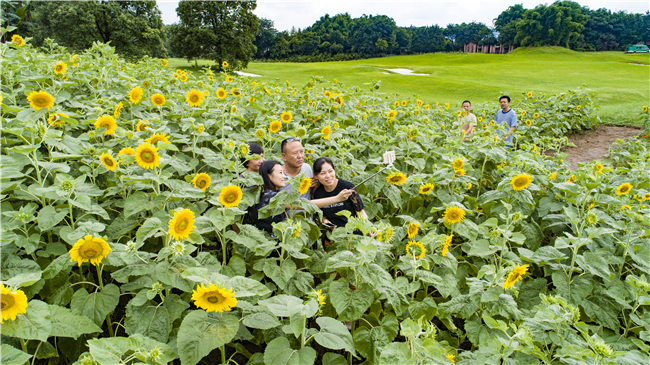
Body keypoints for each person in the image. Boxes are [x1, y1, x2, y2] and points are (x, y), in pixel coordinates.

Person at [248, 160, 353, 237]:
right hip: (271, 246)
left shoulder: (261, 193)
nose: (284, 176)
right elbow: (304, 204)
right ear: (269, 176)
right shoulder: (272, 197)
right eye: (280, 173)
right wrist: (337, 198)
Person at [312, 157, 367, 229]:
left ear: (335, 171)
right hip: (334, 235)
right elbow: (322, 215)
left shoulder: (347, 187)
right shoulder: (318, 193)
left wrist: (366, 227)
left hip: (353, 232)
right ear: (316, 176)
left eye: (330, 171)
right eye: (323, 173)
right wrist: (325, 221)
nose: (328, 176)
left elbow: (360, 212)